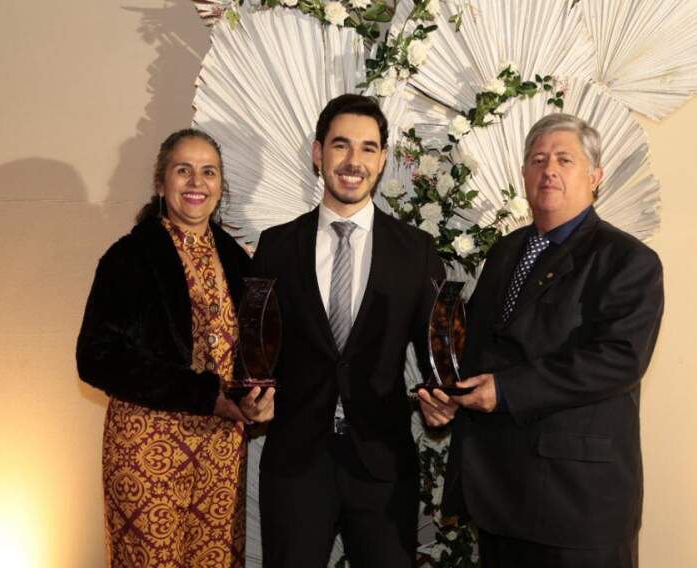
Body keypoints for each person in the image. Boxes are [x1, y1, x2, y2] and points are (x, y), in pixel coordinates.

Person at [419, 113, 664, 568]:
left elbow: (619, 359)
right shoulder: (506, 252)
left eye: (564, 159)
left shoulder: (629, 260)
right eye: (537, 159)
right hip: (499, 497)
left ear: (595, 177)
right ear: (524, 175)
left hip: (577, 506)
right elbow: (479, 349)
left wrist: (507, 390)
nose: (548, 169)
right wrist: (449, 398)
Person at [252, 94, 445, 567]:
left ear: (382, 160)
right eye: (341, 146)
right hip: (295, 464)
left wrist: (445, 399)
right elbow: (256, 349)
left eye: (367, 147)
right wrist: (252, 394)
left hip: (383, 467)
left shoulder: (416, 252)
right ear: (318, 154)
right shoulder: (275, 247)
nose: (353, 161)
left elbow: (437, 354)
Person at [77, 129, 275, 567]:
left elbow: (255, 355)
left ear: (221, 187)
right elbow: (95, 358)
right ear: (161, 182)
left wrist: (259, 399)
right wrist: (204, 395)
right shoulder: (128, 258)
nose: (195, 182)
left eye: (208, 172)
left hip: (221, 451)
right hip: (147, 449)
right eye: (183, 170)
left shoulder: (240, 263)